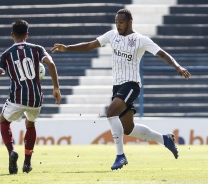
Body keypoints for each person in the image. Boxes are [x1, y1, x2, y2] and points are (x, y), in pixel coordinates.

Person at [51, 9, 191, 170]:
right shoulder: (112, 35)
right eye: (116, 22)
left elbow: (162, 54)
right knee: (128, 129)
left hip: (132, 84)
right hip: (117, 86)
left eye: (121, 22)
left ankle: (120, 156)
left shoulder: (141, 40)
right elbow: (90, 45)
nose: (118, 25)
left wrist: (178, 66)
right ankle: (165, 139)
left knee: (111, 112)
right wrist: (67, 48)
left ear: (130, 22)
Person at [0, 19, 61, 174]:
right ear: (27, 35)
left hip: (17, 97)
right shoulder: (37, 49)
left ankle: (11, 151)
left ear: (12, 35)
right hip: (36, 98)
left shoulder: (6, 54)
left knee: (4, 121)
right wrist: (56, 88)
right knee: (30, 124)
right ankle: (27, 163)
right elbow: (51, 64)